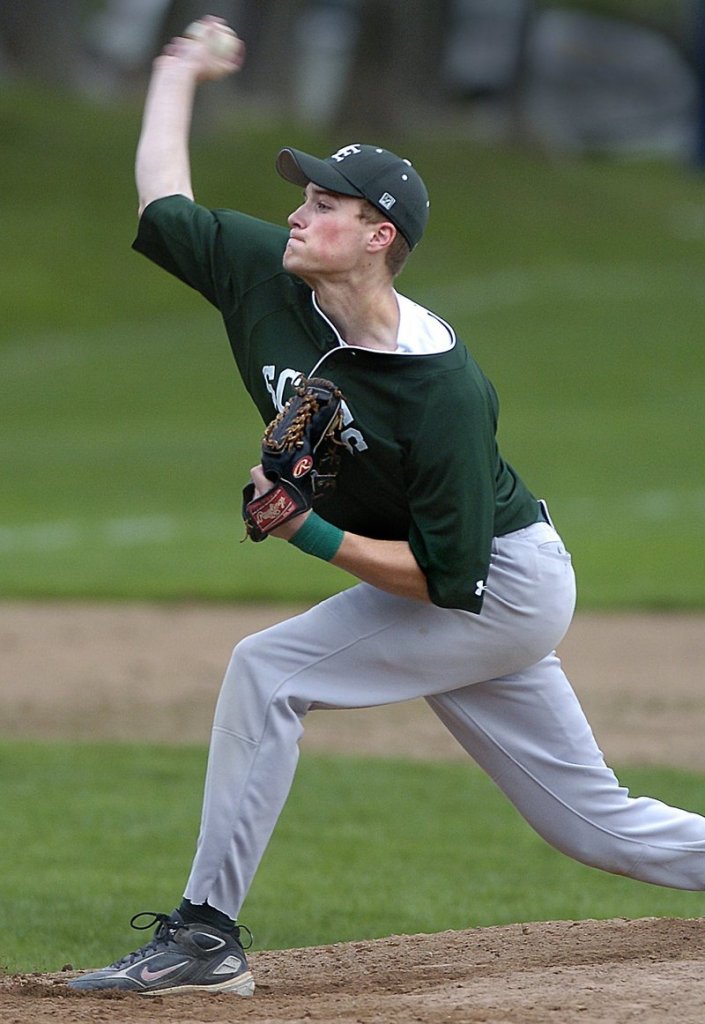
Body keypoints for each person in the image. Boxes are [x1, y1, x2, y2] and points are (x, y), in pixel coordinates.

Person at [70, 15, 705, 997]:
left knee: (267, 672)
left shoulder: (440, 389)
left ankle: (204, 936)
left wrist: (310, 531)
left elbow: (452, 581)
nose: (298, 215)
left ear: (379, 237)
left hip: (498, 584)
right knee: (593, 827)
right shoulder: (264, 272)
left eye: (325, 203)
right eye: (303, 197)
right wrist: (177, 70)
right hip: (451, 581)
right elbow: (164, 201)